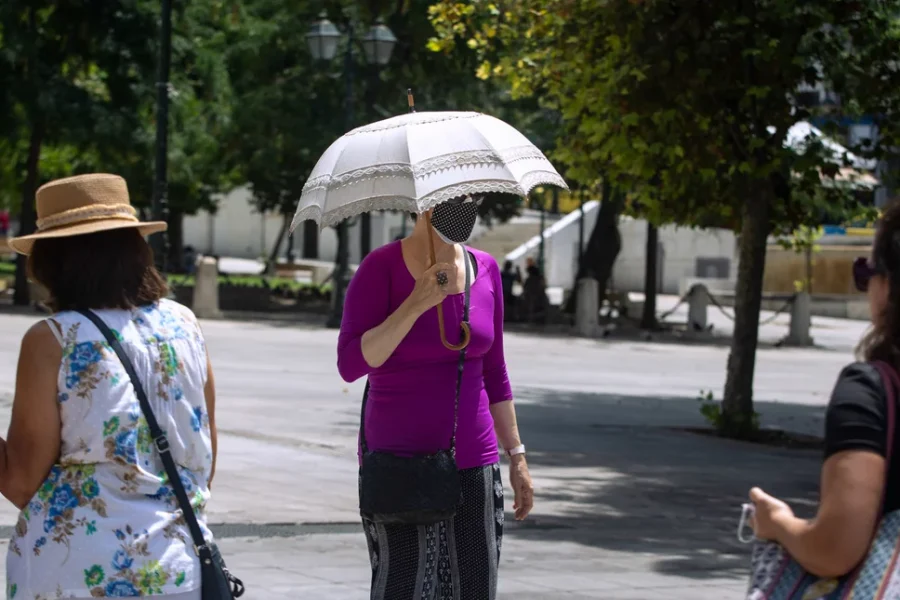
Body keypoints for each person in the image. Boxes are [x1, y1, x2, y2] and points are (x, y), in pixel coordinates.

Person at [3, 174, 217, 599]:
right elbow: (202, 465)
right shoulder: (184, 324)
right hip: (177, 572)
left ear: (51, 261)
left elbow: (22, 481)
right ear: (137, 249)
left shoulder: (54, 338)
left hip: (78, 574)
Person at [337, 197, 534, 600]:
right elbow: (351, 364)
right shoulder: (381, 268)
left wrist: (516, 455)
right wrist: (415, 304)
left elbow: (495, 371)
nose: (467, 205)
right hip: (399, 460)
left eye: (472, 197)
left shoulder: (486, 269)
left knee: (474, 589)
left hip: (474, 460)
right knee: (403, 588)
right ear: (422, 203)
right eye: (455, 197)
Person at [749, 200, 900, 579]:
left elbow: (834, 550)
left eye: (865, 273)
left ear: (888, 286)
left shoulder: (871, 391)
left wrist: (778, 523)